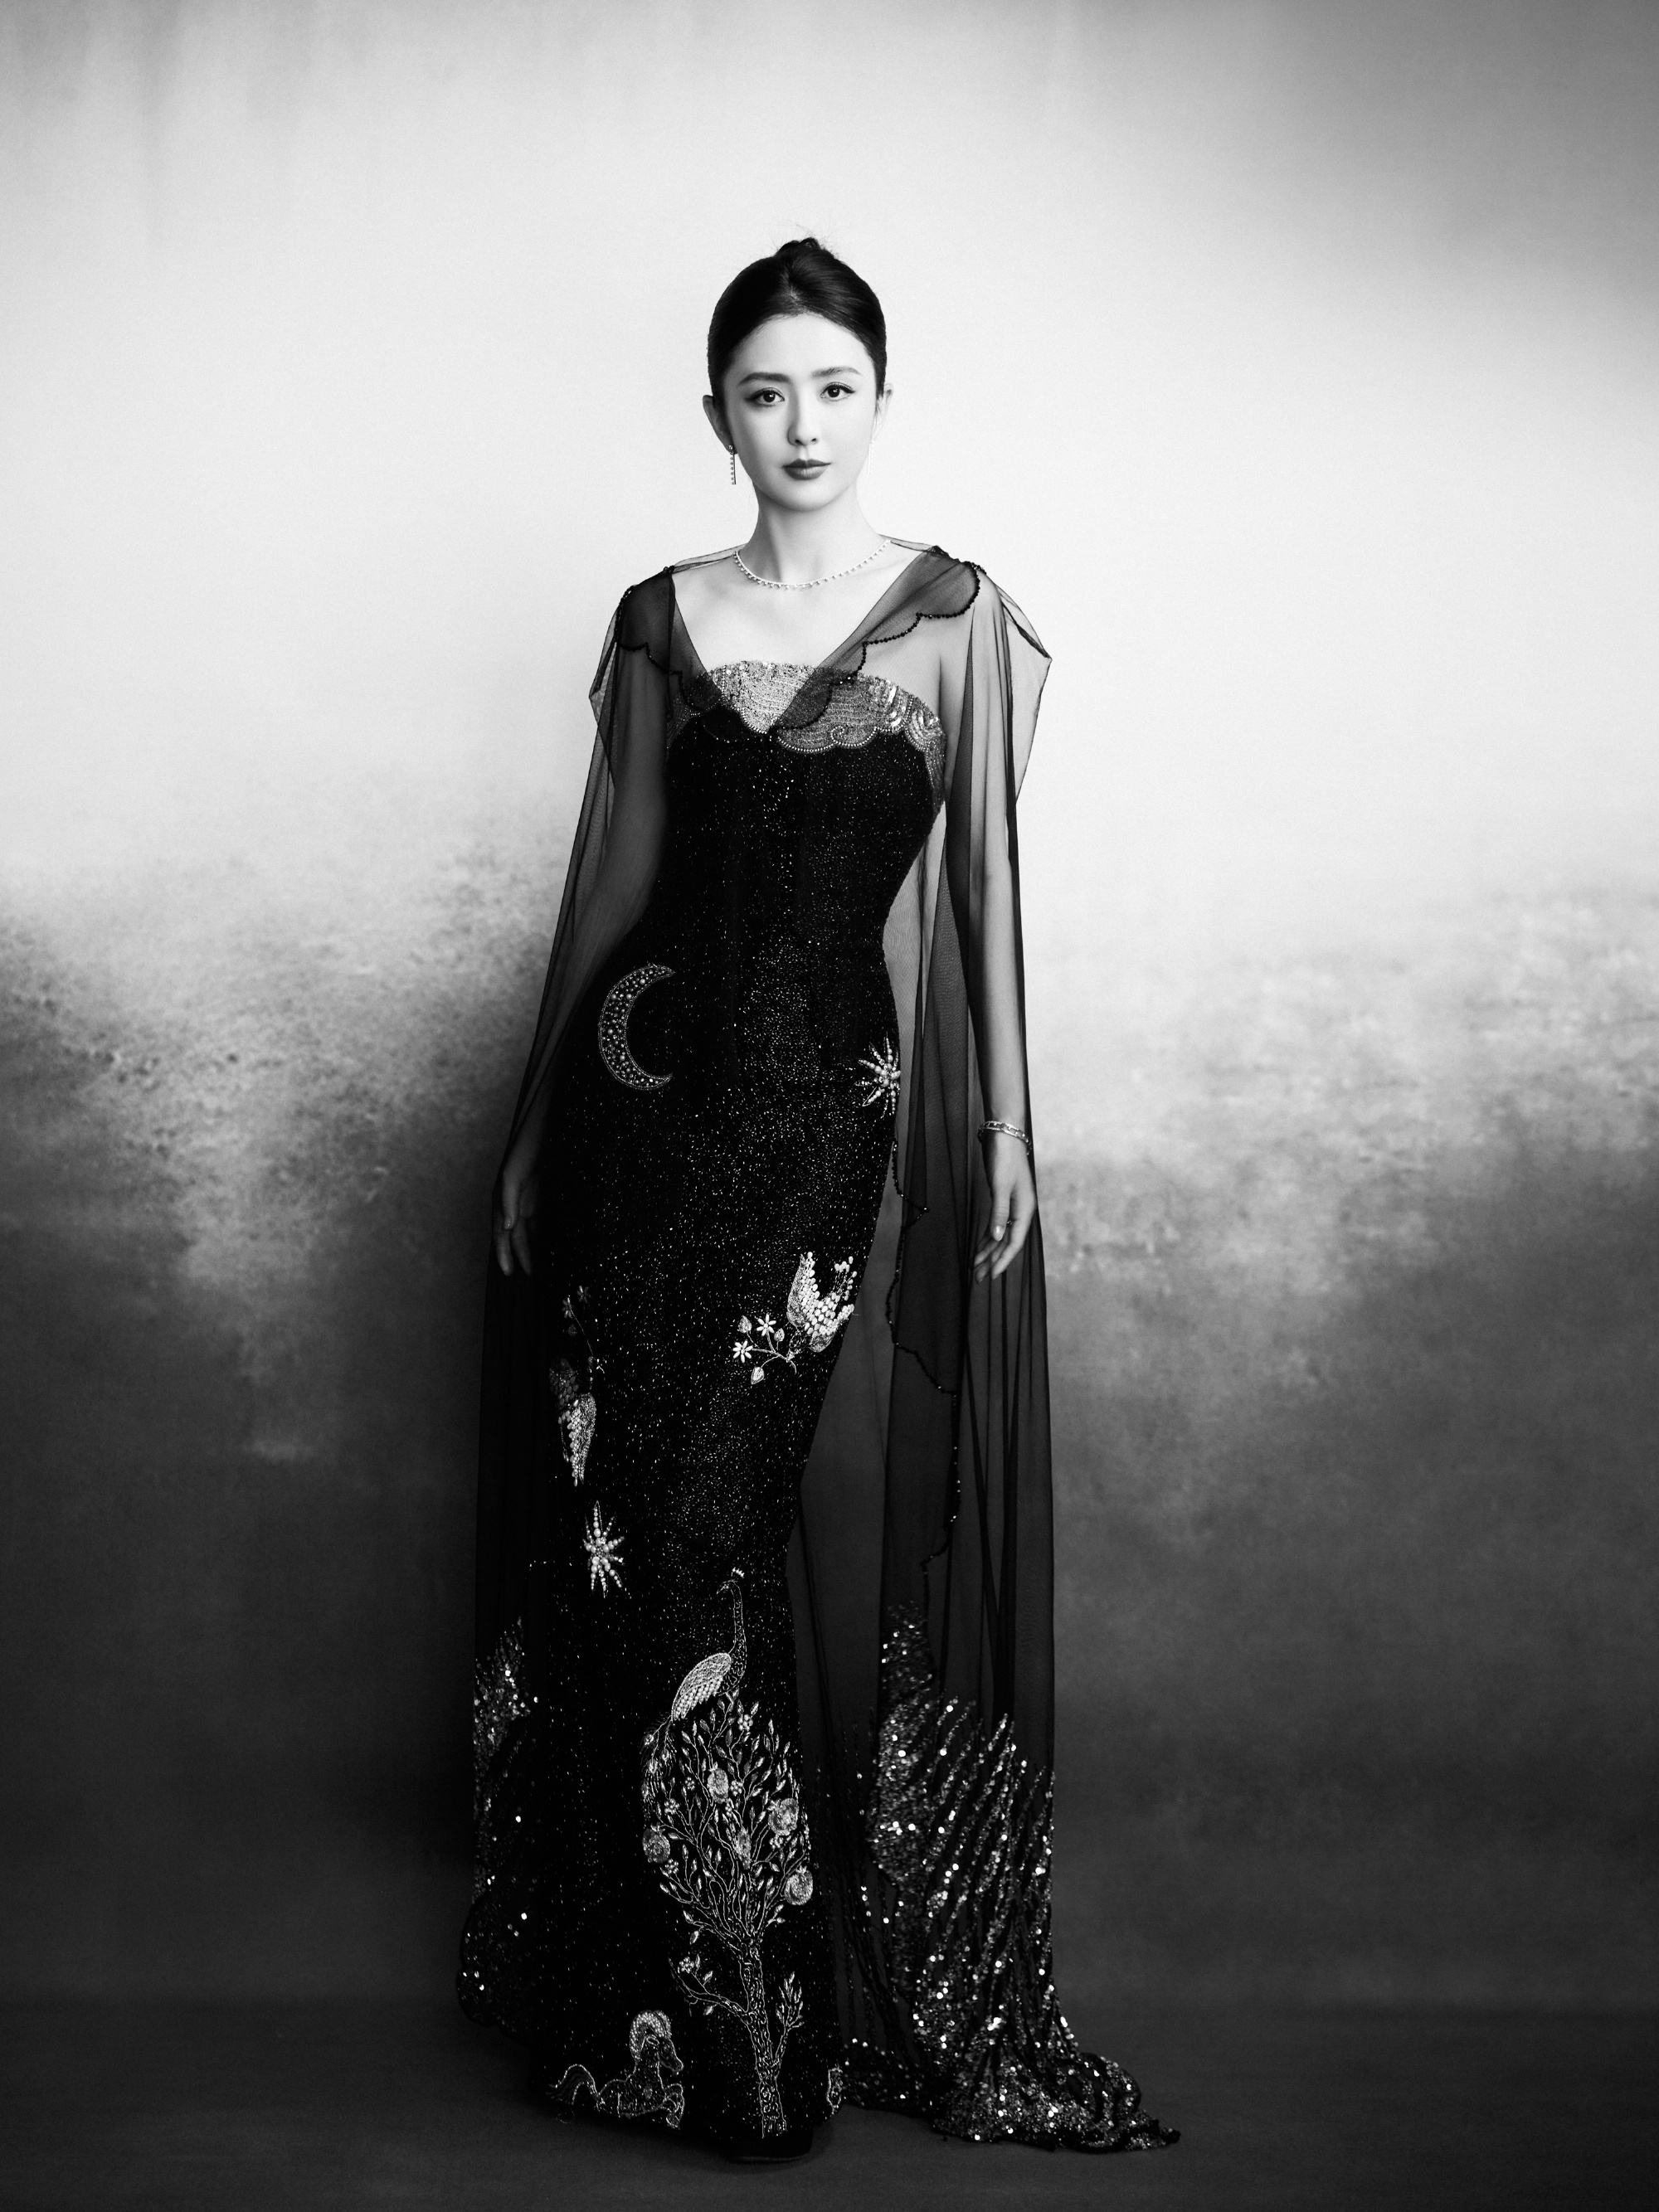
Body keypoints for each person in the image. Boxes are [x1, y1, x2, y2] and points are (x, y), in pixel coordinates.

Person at [456, 236, 1176, 2163]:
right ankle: (679, 2017)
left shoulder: (950, 618)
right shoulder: (660, 618)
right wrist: (529, 1129)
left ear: (878, 403)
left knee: (703, 1522)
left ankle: (757, 2028)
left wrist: (1002, 1125)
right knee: (626, 1545)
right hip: (630, 1124)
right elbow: (612, 881)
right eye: (763, 390)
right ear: (717, 412)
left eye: (832, 389)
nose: (799, 423)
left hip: (810, 1133)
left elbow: (989, 895)